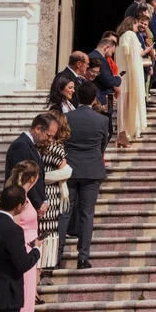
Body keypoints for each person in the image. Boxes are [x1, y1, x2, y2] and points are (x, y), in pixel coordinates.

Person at [59, 82, 109, 270]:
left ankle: (57, 254)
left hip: (70, 169)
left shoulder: (66, 117)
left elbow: (61, 141)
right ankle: (82, 257)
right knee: (87, 214)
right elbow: (102, 144)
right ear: (94, 97)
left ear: (78, 96)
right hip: (92, 170)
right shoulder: (102, 120)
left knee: (64, 213)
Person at [5, 161, 42, 312]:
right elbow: (13, 227)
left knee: (27, 294)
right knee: (24, 295)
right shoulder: (20, 198)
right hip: (24, 249)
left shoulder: (23, 195)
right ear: (33, 178)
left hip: (29, 248)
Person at [5, 114, 58, 220]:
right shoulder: (21, 146)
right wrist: (38, 203)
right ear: (38, 129)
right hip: (21, 206)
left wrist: (44, 201)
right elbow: (24, 179)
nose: (50, 140)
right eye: (48, 135)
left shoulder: (29, 145)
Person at [38, 110, 72, 270]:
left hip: (39, 194)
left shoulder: (37, 146)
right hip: (51, 195)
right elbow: (66, 170)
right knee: (49, 234)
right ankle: (48, 266)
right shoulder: (56, 148)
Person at [116, 17, 146, 147]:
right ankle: (123, 136)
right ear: (131, 24)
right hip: (129, 79)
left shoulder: (121, 37)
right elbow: (132, 55)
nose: (137, 26)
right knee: (126, 108)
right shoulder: (130, 35)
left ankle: (124, 135)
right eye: (136, 24)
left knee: (123, 109)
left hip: (122, 77)